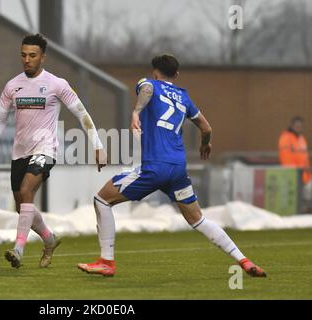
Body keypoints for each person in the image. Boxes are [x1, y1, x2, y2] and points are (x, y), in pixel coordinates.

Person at [77, 54, 267, 278]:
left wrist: (136, 112)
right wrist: (205, 145)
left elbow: (147, 90)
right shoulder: (184, 97)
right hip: (178, 169)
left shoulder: (149, 84)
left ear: (154, 71)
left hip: (155, 167)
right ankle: (243, 260)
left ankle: (106, 262)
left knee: (102, 200)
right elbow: (206, 128)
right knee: (198, 219)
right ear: (176, 75)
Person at [0, 34, 106, 269]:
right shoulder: (12, 86)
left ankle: (18, 250)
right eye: (23, 55)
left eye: (32, 55)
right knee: (22, 205)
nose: (27, 60)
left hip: (46, 149)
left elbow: (82, 113)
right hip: (19, 153)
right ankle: (49, 239)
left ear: (43, 57)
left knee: (27, 190)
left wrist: (97, 145)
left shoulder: (57, 84)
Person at [278, 116, 311, 210]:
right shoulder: (286, 138)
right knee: (295, 199)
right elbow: (286, 158)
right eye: (297, 125)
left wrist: (308, 171)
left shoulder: (301, 139)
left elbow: (305, 157)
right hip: (293, 175)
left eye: (301, 126)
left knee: (305, 197)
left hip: (304, 174)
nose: (299, 128)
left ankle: (304, 212)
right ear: (291, 125)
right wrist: (297, 171)